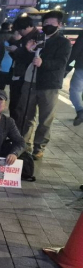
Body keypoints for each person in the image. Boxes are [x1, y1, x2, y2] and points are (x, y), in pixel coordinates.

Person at [16, 10, 72, 160]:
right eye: (45, 23)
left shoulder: (63, 42)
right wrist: (28, 50)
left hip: (49, 85)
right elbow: (23, 58)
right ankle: (24, 144)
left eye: (52, 24)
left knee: (45, 119)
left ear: (59, 25)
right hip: (30, 81)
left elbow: (61, 63)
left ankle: (39, 147)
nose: (48, 26)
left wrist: (43, 63)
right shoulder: (36, 38)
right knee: (26, 115)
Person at [9, 15, 39, 121]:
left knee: (20, 107)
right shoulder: (24, 38)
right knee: (14, 105)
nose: (19, 32)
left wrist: (16, 50)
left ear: (27, 27)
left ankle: (17, 128)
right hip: (18, 74)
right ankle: (13, 126)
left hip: (26, 78)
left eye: (20, 30)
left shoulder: (36, 38)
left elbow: (30, 58)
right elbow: (18, 56)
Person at [68, 34, 83, 125]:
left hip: (81, 68)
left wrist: (67, 66)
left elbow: (75, 51)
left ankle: (80, 111)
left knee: (75, 91)